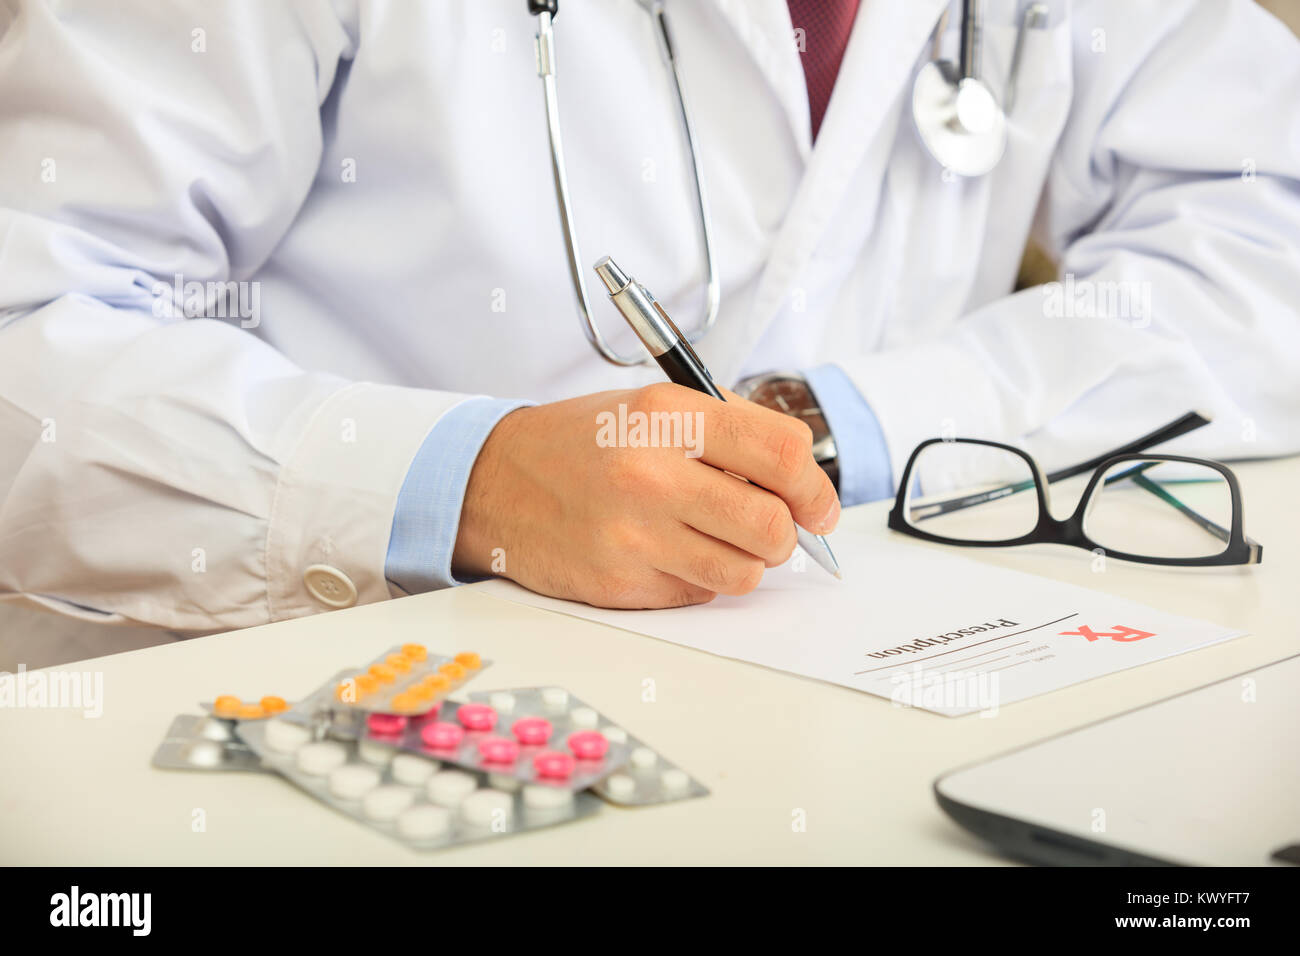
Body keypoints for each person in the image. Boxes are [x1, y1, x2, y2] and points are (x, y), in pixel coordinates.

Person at [1, 0, 1298, 637]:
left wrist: (836, 427)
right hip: (316, 702)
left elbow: (1267, 237)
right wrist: (463, 484)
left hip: (844, 660)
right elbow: (31, 319)